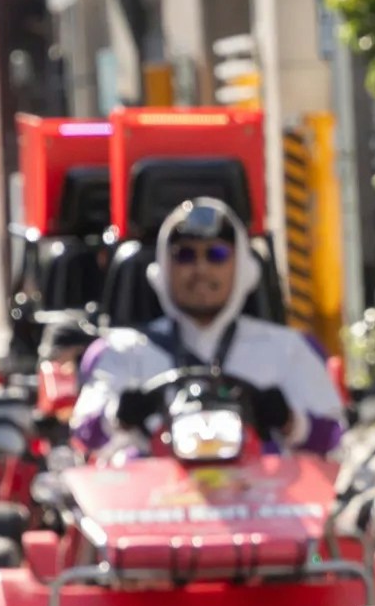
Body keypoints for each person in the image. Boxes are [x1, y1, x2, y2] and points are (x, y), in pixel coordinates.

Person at [70, 194, 342, 455]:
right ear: (164, 266)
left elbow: (334, 438)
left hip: (264, 486)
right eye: (185, 255)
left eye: (217, 254)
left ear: (242, 265)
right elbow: (83, 436)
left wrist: (290, 421)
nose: (201, 269)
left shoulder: (289, 349)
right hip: (150, 485)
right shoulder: (121, 351)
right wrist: (117, 417)